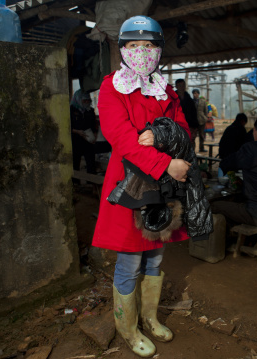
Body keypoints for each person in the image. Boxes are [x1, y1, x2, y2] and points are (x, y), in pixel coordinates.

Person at [92, 16, 212, 358]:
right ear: (122, 48)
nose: (141, 51)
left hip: (164, 189)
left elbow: (184, 131)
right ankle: (128, 330)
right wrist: (165, 164)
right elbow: (122, 139)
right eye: (133, 45)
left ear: (159, 49)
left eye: (149, 45)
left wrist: (161, 135)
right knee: (130, 262)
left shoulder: (167, 90)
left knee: (156, 257)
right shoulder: (111, 87)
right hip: (132, 187)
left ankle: (149, 317)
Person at [70, 89, 97, 174]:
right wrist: (77, 131)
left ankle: (92, 183)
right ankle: (76, 184)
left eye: (88, 100)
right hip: (76, 140)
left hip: (88, 140)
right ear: (78, 99)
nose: (86, 102)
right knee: (75, 162)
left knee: (91, 162)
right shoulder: (71, 110)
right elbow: (67, 126)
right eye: (84, 100)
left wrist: (95, 135)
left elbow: (94, 124)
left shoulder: (90, 110)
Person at [175, 79, 199, 148]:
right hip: (177, 126)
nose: (181, 87)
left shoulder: (189, 100)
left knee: (190, 144)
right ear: (176, 86)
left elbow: (194, 114)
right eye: (180, 85)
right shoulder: (172, 99)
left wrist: (195, 127)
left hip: (189, 126)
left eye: (183, 85)